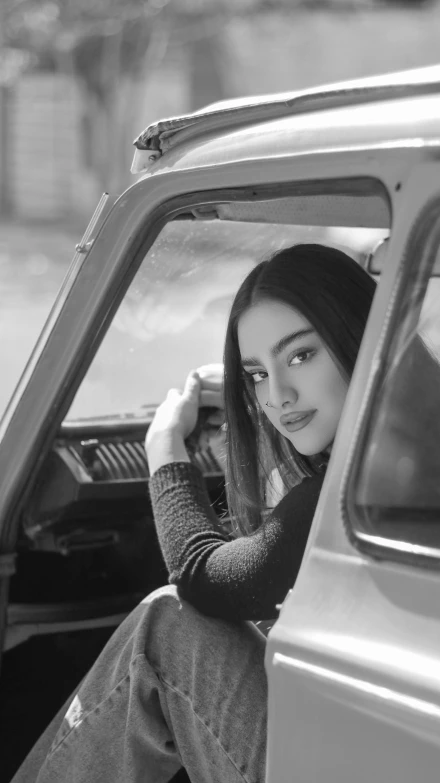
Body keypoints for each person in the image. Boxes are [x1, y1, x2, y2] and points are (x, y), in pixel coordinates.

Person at [12, 243, 376, 783]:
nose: (278, 396)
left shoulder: (358, 484)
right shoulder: (432, 436)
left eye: (301, 355)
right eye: (255, 373)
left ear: (361, 336)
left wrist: (165, 449)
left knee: (166, 628)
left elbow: (204, 578)